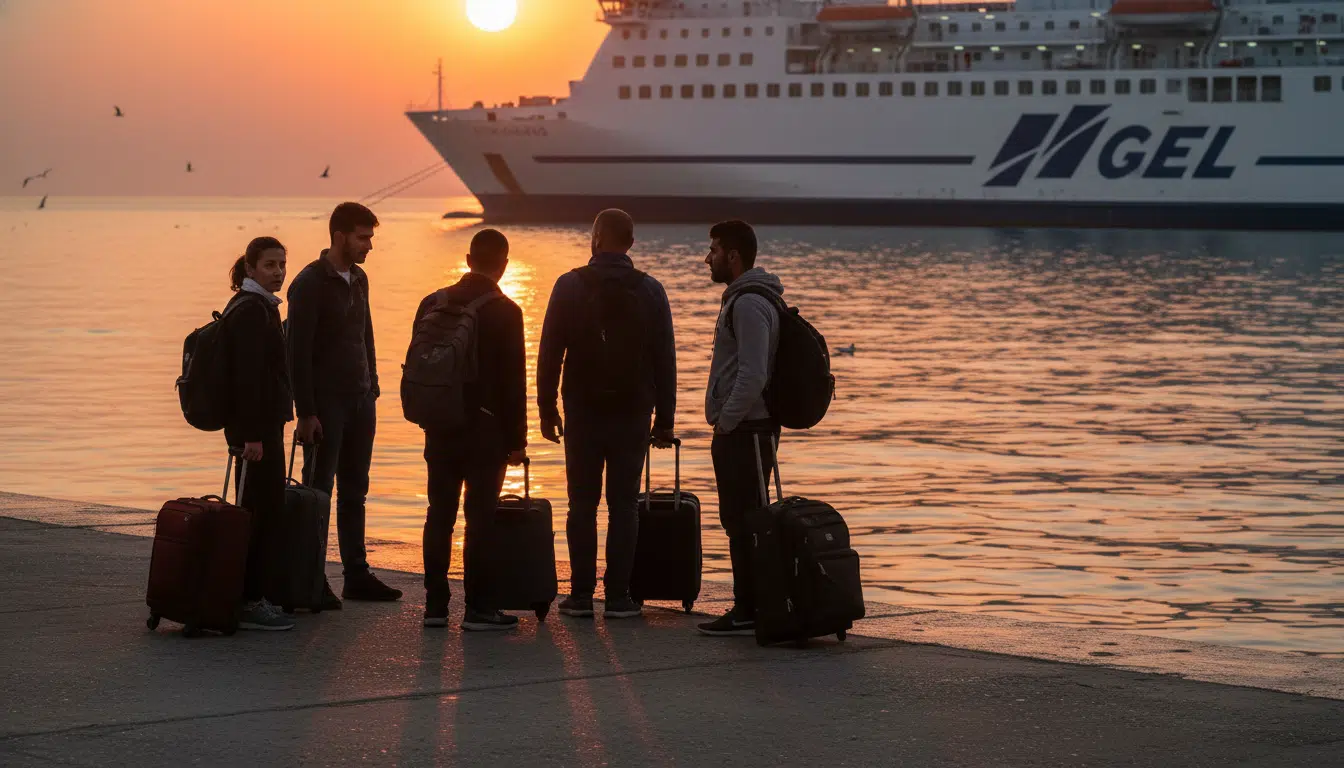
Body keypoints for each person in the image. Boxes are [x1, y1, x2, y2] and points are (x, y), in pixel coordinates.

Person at [537, 209, 677, 620]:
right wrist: (664, 420)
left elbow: (549, 352)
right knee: (624, 504)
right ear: (631, 243)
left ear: (596, 238)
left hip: (582, 411)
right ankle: (617, 597)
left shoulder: (569, 285)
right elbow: (665, 359)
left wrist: (546, 408)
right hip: (633, 412)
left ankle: (581, 597)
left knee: (582, 504)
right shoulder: (651, 290)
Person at [287, 202, 401, 605]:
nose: (369, 245)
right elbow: (296, 353)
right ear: (340, 237)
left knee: (356, 491)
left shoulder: (360, 278)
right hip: (325, 406)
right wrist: (306, 412)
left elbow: (365, 333)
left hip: (360, 399)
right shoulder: (309, 283)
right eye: (363, 237)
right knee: (318, 491)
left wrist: (373, 384)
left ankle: (356, 575)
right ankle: (310, 579)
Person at [415, 229, 528, 631]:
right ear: (504, 265)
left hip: (440, 426)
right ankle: (479, 609)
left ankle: (435, 608)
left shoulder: (433, 302)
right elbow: (514, 383)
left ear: (467, 260)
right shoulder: (506, 311)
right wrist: (517, 441)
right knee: (479, 520)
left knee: (439, 515)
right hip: (486, 431)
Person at [698, 220, 782, 637]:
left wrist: (726, 423)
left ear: (732, 256)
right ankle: (753, 604)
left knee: (743, 520)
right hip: (749, 429)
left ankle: (747, 608)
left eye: (713, 250)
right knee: (743, 518)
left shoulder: (748, 304)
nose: (707, 259)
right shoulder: (749, 298)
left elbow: (753, 373)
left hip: (747, 430)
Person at [223, 237, 295, 631]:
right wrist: (251, 435)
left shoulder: (258, 305)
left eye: (282, 264)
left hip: (263, 428)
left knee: (263, 510)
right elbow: (247, 379)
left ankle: (255, 595)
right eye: (270, 265)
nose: (278, 272)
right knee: (258, 513)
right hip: (258, 433)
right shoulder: (252, 310)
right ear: (250, 268)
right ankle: (250, 601)